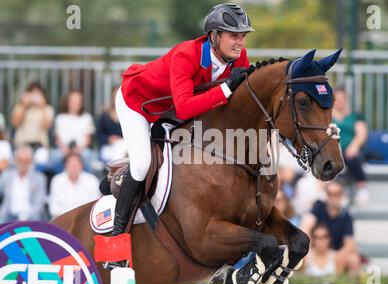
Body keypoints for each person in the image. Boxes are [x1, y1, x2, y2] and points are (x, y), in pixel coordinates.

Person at [105, 3, 254, 268]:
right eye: (234, 35)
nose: (240, 41)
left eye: (243, 35)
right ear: (214, 36)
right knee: (142, 164)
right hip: (138, 104)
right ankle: (115, 245)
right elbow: (186, 105)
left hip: (170, 112)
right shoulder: (187, 55)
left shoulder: (238, 59)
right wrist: (227, 90)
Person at [301, 180, 361, 274]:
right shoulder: (318, 207)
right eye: (330, 193)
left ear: (342, 195)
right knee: (299, 257)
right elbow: (305, 228)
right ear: (326, 194)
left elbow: (350, 244)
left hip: (335, 252)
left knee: (353, 260)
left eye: (336, 194)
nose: (333, 197)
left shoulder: (346, 216)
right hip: (315, 249)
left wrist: (338, 256)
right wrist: (308, 251)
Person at [332, 87, 369, 206]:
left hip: (351, 150)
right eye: (337, 99)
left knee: (354, 158)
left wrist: (354, 147)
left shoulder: (356, 115)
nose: (340, 102)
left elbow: (361, 133)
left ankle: (362, 188)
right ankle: (340, 192)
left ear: (346, 99)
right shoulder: (327, 115)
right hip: (334, 150)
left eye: (342, 99)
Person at [0, 145, 47, 223]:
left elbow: (39, 205)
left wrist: (24, 218)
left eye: (26, 160)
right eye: (20, 160)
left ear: (31, 161)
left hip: (31, 218)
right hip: (8, 217)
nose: (23, 163)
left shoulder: (39, 178)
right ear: (15, 160)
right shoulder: (6, 176)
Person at [51, 90, 96, 173]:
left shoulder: (87, 117)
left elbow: (88, 140)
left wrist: (78, 149)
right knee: (55, 156)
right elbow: (57, 139)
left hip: (81, 150)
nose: (75, 103)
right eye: (73, 100)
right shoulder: (60, 118)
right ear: (67, 102)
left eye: (78, 101)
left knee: (88, 155)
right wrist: (65, 149)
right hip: (63, 150)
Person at [48, 152, 100, 218]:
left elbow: (94, 206)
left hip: (84, 221)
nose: (73, 168)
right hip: (62, 220)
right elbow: (53, 206)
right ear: (65, 165)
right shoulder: (57, 180)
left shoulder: (92, 180)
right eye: (70, 165)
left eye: (76, 165)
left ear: (82, 165)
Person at [11, 81, 54, 150]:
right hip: (21, 143)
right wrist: (24, 106)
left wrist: (42, 107)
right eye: (32, 93)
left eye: (38, 94)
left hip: (40, 145)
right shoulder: (19, 107)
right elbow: (15, 124)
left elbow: (47, 127)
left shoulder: (47, 109)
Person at [96, 86, 126, 163]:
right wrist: (108, 139)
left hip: (125, 146)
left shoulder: (128, 115)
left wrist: (120, 139)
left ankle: (114, 170)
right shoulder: (105, 115)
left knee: (121, 146)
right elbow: (98, 135)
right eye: (114, 95)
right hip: (108, 147)